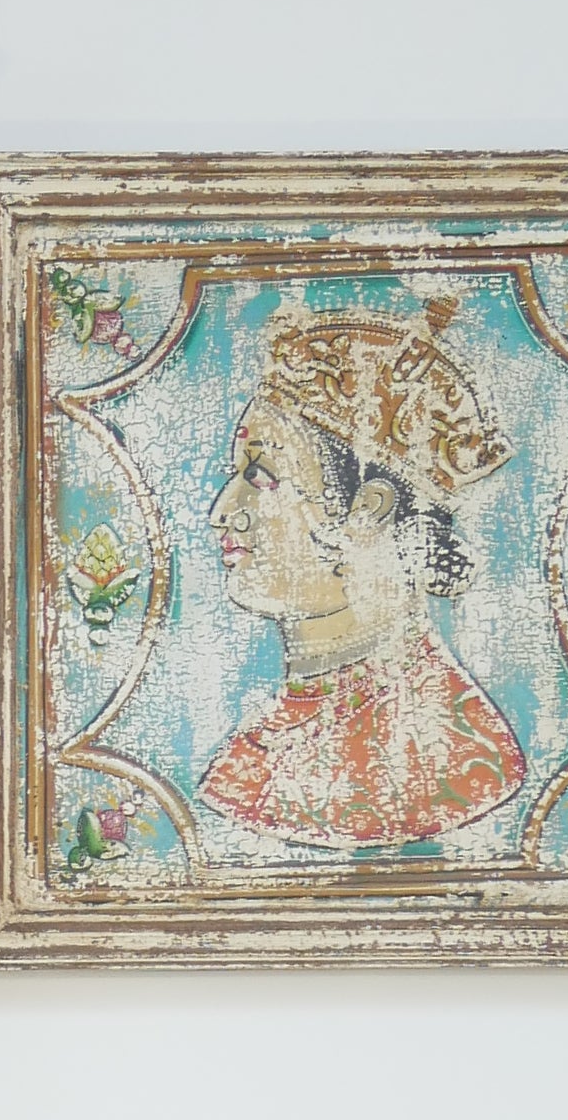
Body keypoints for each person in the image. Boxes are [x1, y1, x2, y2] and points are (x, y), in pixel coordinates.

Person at [197, 301, 523, 848]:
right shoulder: (264, 739)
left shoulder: (452, 756)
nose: (222, 511)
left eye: (261, 474)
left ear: (367, 510)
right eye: (237, 474)